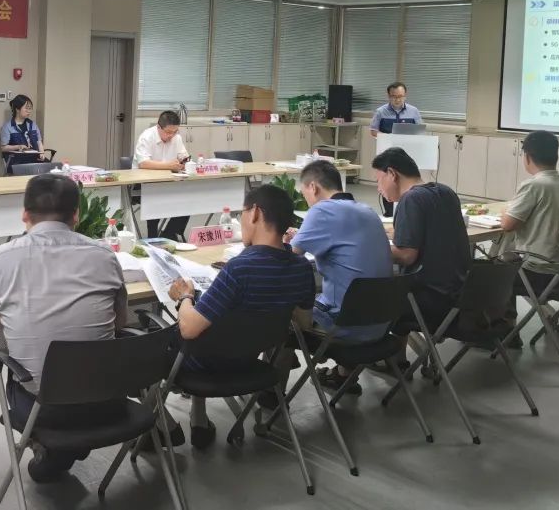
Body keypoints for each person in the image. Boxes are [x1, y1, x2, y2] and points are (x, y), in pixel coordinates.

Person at [0, 173, 127, 482]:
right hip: (108, 400)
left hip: (43, 408)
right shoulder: (105, 255)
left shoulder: (0, 259)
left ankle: (56, 450)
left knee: (23, 363)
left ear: (24, 214)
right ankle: (63, 451)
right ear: (76, 215)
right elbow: (121, 322)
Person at [166, 184, 315, 445]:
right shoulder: (301, 268)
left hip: (205, 366)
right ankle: (198, 417)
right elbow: (304, 323)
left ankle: (164, 426)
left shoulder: (240, 268)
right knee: (213, 318)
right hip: (252, 361)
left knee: (159, 335)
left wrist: (184, 297)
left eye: (242, 213)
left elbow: (189, 329)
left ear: (255, 213)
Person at [290, 160, 393, 395]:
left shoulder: (322, 210)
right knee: (348, 291)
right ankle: (344, 376)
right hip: (381, 324)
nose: (307, 200)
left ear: (313, 187)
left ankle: (270, 394)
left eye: (304, 193)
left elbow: (288, 257)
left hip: (345, 327)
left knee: (283, 311)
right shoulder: (367, 211)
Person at [373, 147, 471, 361]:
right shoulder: (445, 192)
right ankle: (398, 359)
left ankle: (393, 360)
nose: (379, 188)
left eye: (379, 180)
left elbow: (406, 255)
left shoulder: (411, 199)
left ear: (392, 173)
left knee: (377, 298)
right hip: (461, 295)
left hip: (431, 301)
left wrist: (370, 245)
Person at [499, 131, 559, 340]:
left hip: (538, 272)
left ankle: (505, 332)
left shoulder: (533, 185)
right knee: (504, 259)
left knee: (493, 272)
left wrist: (506, 209)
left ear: (527, 157)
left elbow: (507, 224)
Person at [134, 111, 190, 241]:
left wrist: (183, 163)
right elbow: (143, 163)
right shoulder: (147, 137)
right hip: (144, 184)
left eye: (175, 132)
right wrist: (169, 165)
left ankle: (169, 234)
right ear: (159, 127)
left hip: (169, 182)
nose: (171, 136)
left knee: (189, 198)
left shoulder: (176, 138)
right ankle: (153, 238)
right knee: (156, 198)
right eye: (168, 132)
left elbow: (184, 157)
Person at [369, 82, 422, 217]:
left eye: (400, 96)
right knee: (389, 182)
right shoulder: (381, 111)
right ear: (389, 96)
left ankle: (408, 211)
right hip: (388, 155)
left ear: (405, 95)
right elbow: (373, 131)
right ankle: (389, 213)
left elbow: (420, 130)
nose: (397, 99)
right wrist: (388, 137)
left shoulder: (413, 111)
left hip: (408, 154)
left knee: (406, 182)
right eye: (394, 97)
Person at [0, 95, 47, 173]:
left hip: (34, 158)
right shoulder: (7, 127)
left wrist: (42, 153)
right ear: (17, 109)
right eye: (26, 108)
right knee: (30, 170)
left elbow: (39, 141)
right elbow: (3, 148)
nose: (29, 111)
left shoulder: (33, 124)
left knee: (51, 169)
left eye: (30, 108)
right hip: (17, 160)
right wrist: (18, 146)